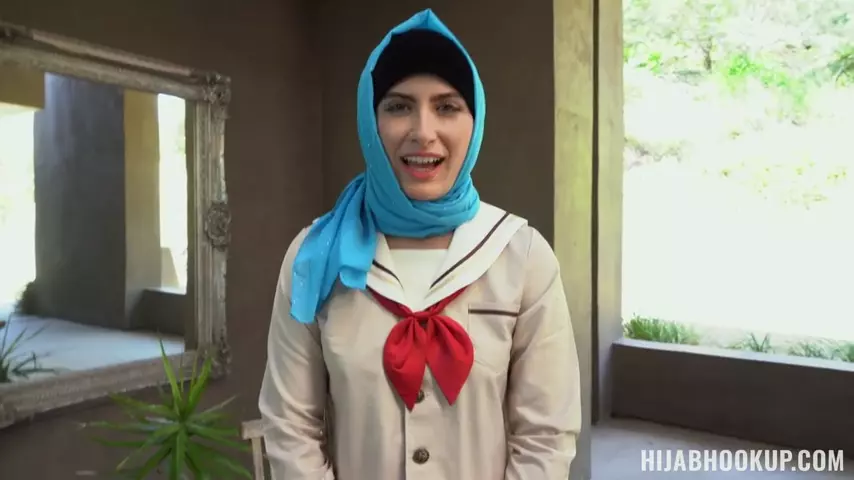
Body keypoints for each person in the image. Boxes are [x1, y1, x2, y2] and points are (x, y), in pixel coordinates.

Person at [258, 8, 582, 480]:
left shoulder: (523, 256)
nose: (423, 132)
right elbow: (291, 428)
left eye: (447, 107)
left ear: (474, 122)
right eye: (398, 106)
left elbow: (546, 437)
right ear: (371, 122)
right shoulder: (315, 255)